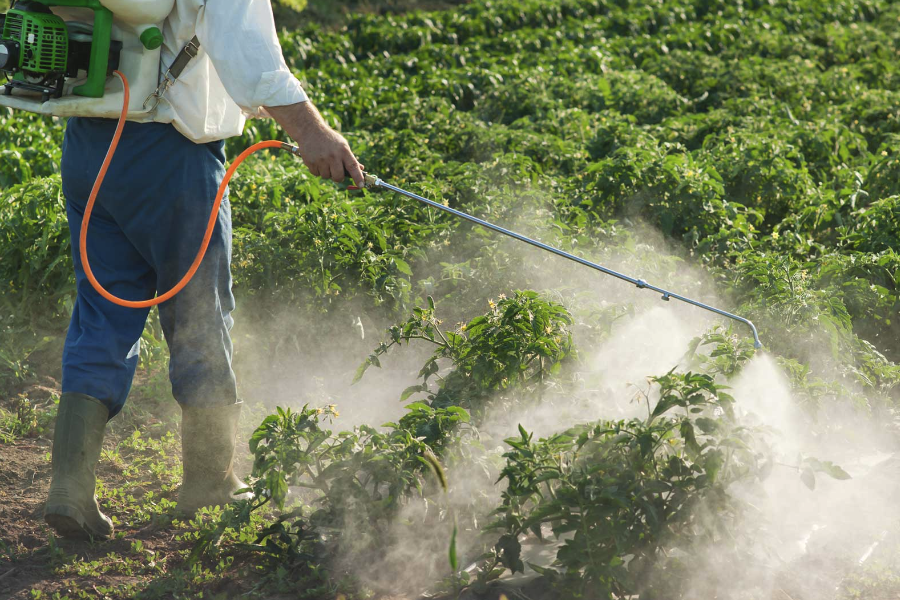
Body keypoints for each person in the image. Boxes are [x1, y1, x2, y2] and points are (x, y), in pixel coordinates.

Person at [42, 0, 364, 540]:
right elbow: (248, 49)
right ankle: (210, 481)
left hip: (89, 148)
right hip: (172, 156)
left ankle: (69, 489)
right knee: (199, 312)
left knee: (101, 310)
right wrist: (311, 131)